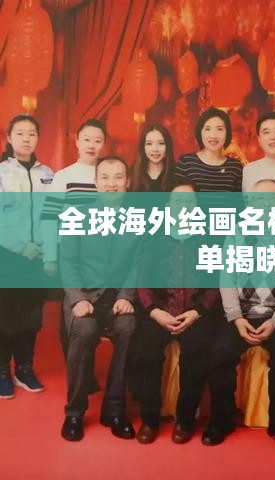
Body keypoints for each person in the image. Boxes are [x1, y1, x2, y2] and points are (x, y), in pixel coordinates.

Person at [202, 179, 275, 454]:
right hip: (243, 313)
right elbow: (226, 277)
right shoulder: (237, 233)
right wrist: (236, 318)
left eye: (272, 199)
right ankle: (221, 421)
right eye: (259, 199)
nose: (265, 205)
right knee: (218, 354)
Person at [132, 182, 221, 444]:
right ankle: (149, 419)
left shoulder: (209, 237)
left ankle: (185, 419)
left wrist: (197, 312)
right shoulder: (155, 236)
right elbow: (142, 281)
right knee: (146, 353)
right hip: (160, 311)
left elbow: (216, 283)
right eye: (177, 202)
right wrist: (155, 311)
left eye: (189, 202)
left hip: (195, 313)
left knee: (196, 353)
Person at [59, 156, 140, 441]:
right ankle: (74, 412)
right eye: (105, 177)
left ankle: (114, 410)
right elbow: (67, 262)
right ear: (95, 182)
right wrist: (77, 299)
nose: (111, 184)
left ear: (127, 182)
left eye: (118, 177)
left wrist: (127, 295)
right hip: (84, 296)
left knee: (128, 327)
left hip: (117, 298)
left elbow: (137, 264)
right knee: (84, 330)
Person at [41, 118, 107, 393]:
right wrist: (50, 255)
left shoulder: (108, 174)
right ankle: (78, 373)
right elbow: (49, 216)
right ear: (77, 141)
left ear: (104, 144)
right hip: (69, 252)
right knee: (72, 310)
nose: (92, 145)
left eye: (98, 140)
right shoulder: (65, 176)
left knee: (94, 310)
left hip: (99, 256)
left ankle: (85, 371)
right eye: (87, 139)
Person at [0, 115, 54, 400]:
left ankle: (24, 368)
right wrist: (21, 246)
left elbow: (54, 215)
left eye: (31, 133)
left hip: (38, 255)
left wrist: (45, 247)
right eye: (20, 133)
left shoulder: (48, 174)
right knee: (4, 315)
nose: (26, 138)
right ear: (9, 138)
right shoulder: (1, 172)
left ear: (37, 138)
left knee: (32, 316)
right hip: (8, 254)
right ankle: (1, 371)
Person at [175, 107, 243, 192]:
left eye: (220, 129)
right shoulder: (186, 162)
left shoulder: (235, 167)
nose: (213, 135)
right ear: (200, 132)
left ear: (227, 133)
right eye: (207, 129)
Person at [131, 124, 175, 192]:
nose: (155, 149)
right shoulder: (132, 175)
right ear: (143, 147)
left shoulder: (177, 175)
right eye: (149, 143)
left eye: (161, 143)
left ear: (168, 146)